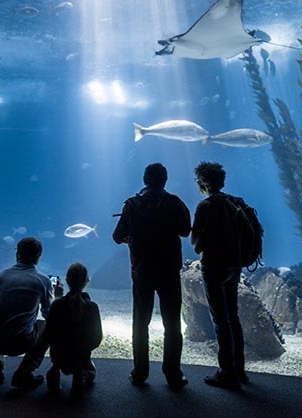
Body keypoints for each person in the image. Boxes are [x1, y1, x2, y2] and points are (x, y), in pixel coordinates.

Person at [113, 163, 191, 389]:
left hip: (142, 270)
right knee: (173, 323)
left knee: (140, 322)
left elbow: (117, 236)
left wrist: (131, 235)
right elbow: (186, 230)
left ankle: (140, 372)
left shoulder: (132, 204)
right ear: (165, 180)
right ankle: (173, 373)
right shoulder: (175, 202)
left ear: (145, 179)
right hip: (168, 270)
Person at [192, 161, 247, 390]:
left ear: (204, 182)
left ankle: (226, 372)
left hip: (213, 267)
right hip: (234, 266)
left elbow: (195, 242)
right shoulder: (235, 203)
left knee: (220, 319)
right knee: (233, 316)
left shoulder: (205, 206)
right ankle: (239, 369)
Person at [0, 237, 63, 389]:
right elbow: (50, 316)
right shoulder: (42, 281)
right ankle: (24, 373)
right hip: (17, 344)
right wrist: (57, 298)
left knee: (0, 319)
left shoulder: (2, 276)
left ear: (17, 254)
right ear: (39, 256)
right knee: (48, 328)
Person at [44, 263, 103, 397]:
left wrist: (57, 298)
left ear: (66, 280)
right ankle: (80, 374)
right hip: (81, 356)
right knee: (92, 373)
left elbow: (48, 334)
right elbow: (97, 338)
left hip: (58, 355)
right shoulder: (92, 307)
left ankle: (54, 371)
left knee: (59, 361)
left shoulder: (57, 305)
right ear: (87, 281)